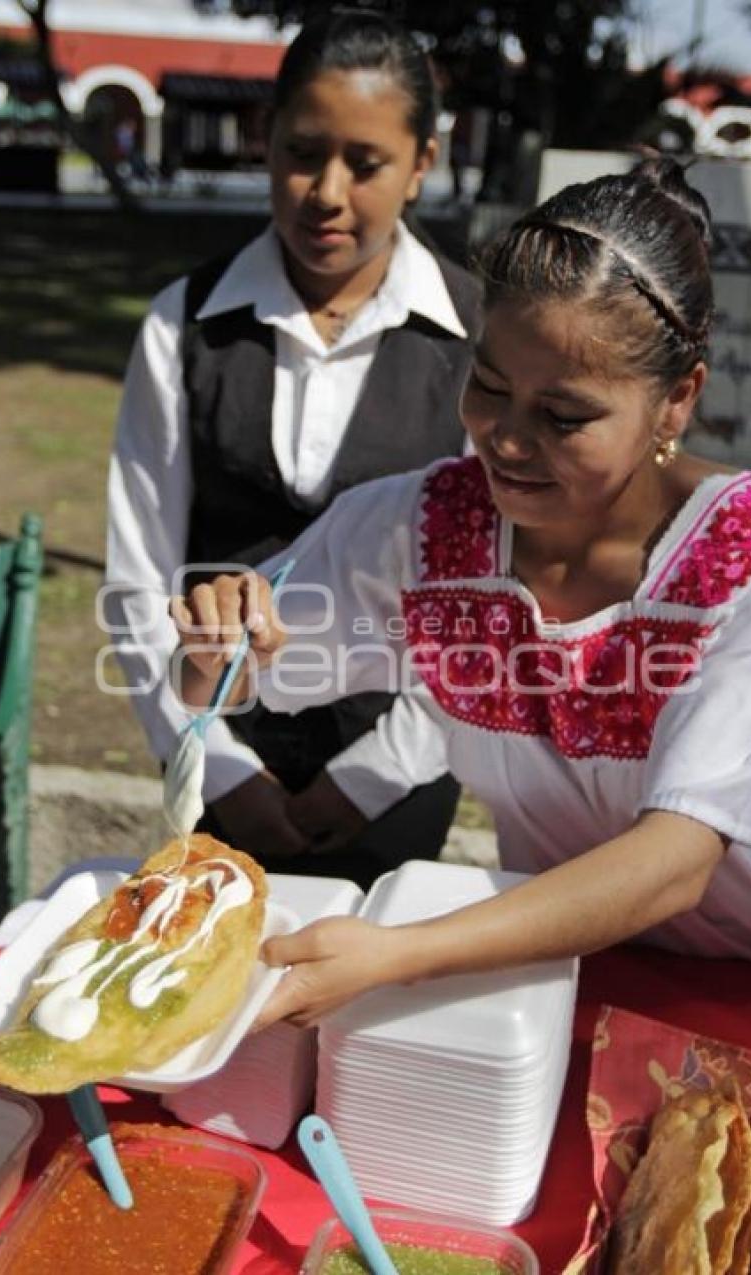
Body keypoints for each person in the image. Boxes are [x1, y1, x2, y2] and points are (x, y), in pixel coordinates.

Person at [171, 156, 751, 1028]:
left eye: (563, 416)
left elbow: (673, 859)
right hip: (553, 974)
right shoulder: (423, 531)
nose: (504, 440)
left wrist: (402, 951)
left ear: (675, 401)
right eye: (490, 387)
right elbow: (227, 682)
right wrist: (212, 647)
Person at [105, 11, 480, 890]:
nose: (327, 192)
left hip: (402, 773)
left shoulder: (480, 343)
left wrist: (371, 778)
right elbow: (138, 573)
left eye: (367, 162)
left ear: (422, 163)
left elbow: (491, 598)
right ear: (266, 140)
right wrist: (223, 769)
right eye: (304, 152)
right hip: (212, 760)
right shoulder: (184, 324)